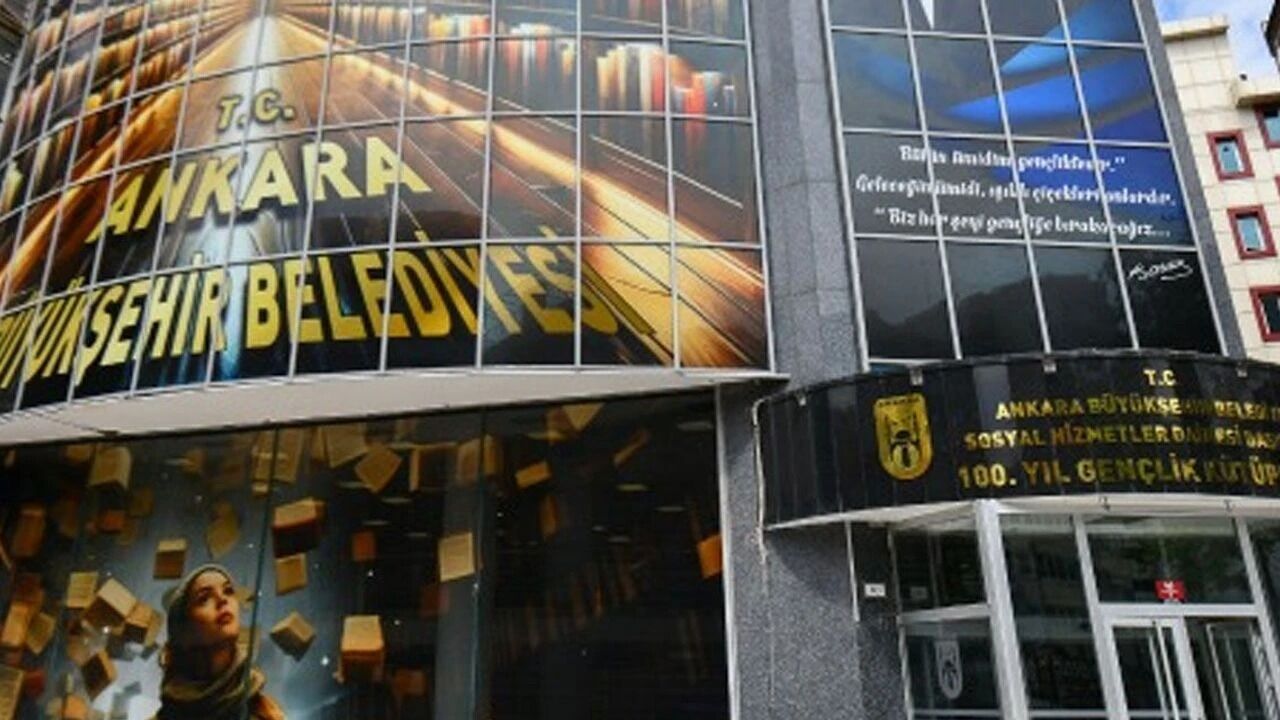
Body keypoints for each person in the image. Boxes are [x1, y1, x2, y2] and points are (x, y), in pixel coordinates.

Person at [157, 564, 285, 720]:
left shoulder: (267, 714)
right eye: (204, 598)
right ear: (184, 632)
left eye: (228, 591)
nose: (222, 599)